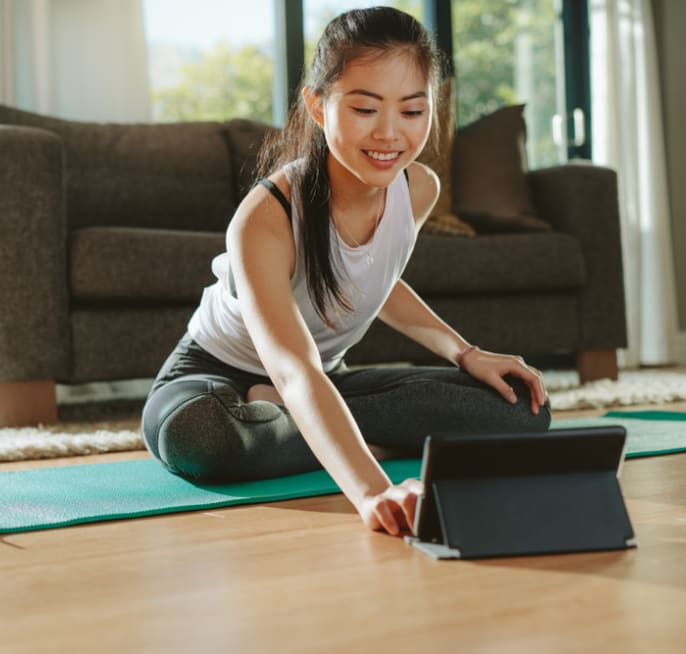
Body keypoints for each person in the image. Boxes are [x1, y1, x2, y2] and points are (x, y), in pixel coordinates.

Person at [142, 6, 550, 537]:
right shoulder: (266, 216)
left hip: (322, 382)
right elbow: (292, 369)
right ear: (317, 105)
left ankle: (312, 428)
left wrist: (467, 355)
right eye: (364, 108)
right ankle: (337, 432)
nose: (390, 134)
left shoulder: (417, 189)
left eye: (411, 111)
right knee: (200, 439)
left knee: (523, 409)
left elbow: (377, 279)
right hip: (216, 383)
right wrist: (375, 491)